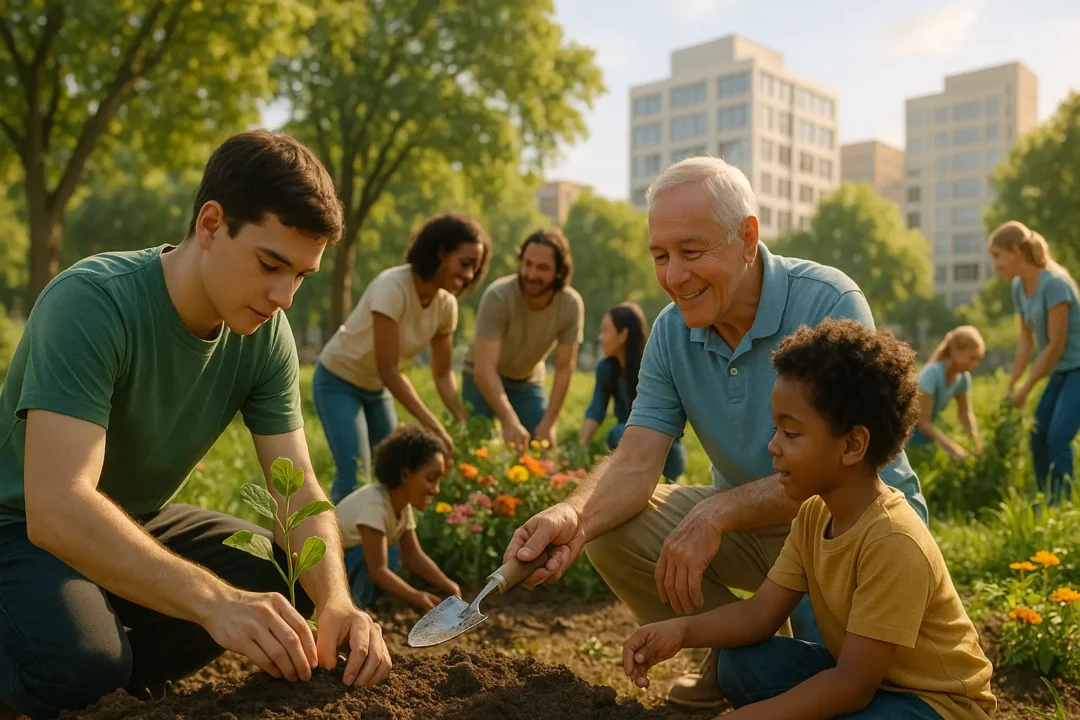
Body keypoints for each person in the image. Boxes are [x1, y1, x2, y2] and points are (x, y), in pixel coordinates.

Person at [502, 156, 926, 709]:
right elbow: (636, 459)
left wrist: (717, 512)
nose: (674, 275)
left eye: (692, 251)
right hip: (754, 527)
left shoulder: (826, 303)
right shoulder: (671, 331)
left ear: (747, 238)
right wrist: (573, 518)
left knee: (846, 686)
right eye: (661, 256)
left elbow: (846, 469)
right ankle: (732, 658)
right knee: (609, 528)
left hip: (844, 528)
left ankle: (753, 668)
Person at [0, 130, 391, 719]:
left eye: (302, 277)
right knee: (80, 667)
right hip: (17, 527)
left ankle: (122, 681)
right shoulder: (92, 302)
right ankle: (76, 664)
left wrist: (338, 601)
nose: (285, 296)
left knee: (277, 576)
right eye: (270, 263)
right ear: (211, 225)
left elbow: (298, 490)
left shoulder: (264, 336)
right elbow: (55, 508)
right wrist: (214, 603)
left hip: (133, 518)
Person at [622, 319, 996, 719]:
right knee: (740, 664)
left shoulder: (893, 539)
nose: (773, 446)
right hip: (870, 686)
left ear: (852, 445)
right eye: (776, 429)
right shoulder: (815, 514)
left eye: (791, 434)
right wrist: (681, 632)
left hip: (934, 704)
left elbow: (851, 688)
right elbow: (759, 614)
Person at [314, 212, 490, 503]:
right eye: (465, 263)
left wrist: (460, 416)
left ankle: (389, 548)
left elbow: (443, 374)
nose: (470, 275)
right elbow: (389, 371)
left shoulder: (447, 306)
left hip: (376, 389)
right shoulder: (392, 287)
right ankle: (340, 546)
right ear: (441, 252)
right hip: (338, 381)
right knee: (354, 476)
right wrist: (434, 426)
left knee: (396, 477)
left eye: (476, 268)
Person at [462, 228, 584, 449]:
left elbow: (565, 368)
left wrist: (549, 423)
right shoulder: (498, 296)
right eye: (527, 264)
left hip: (526, 380)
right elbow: (485, 369)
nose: (531, 274)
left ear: (559, 272)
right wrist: (509, 420)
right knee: (475, 448)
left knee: (542, 448)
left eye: (542, 268)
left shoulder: (570, 305)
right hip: (481, 377)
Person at [989, 220, 1080, 504]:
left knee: (1057, 437)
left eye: (997, 256)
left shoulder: (1055, 284)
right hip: (1062, 371)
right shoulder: (1018, 288)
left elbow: (1055, 345)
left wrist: (1026, 388)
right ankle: (1045, 499)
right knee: (1038, 435)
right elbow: (1026, 343)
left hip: (1076, 369)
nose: (996, 264)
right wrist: (1012, 384)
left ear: (1016, 251)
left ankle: (1063, 506)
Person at [336, 425, 461, 612]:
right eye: (431, 478)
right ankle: (354, 609)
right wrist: (417, 597)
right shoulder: (375, 505)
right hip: (324, 571)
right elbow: (377, 571)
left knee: (393, 554)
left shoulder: (402, 506)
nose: (436, 489)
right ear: (405, 475)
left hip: (345, 566)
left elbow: (413, 555)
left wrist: (450, 586)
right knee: (379, 556)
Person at [578, 302, 686, 483]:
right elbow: (596, 409)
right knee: (619, 434)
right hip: (628, 445)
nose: (600, 337)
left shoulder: (653, 365)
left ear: (623, 335)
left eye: (605, 331)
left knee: (618, 433)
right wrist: (580, 447)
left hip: (666, 448)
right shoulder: (606, 368)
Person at [908, 326, 985, 459]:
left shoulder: (963, 378)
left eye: (978, 359)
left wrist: (976, 443)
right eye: (972, 358)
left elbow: (965, 414)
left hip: (925, 434)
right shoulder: (931, 375)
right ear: (955, 351)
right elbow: (922, 422)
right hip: (907, 433)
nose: (975, 364)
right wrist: (952, 447)